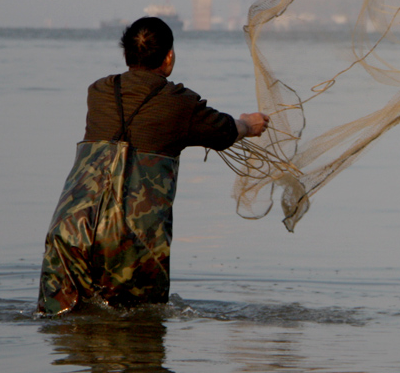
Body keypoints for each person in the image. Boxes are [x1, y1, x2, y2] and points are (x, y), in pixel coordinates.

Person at [37, 16, 269, 315]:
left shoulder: (98, 92)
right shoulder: (181, 103)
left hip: (68, 231)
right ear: (169, 57)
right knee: (137, 332)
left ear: (126, 54)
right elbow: (225, 131)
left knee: (63, 328)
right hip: (130, 241)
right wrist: (249, 124)